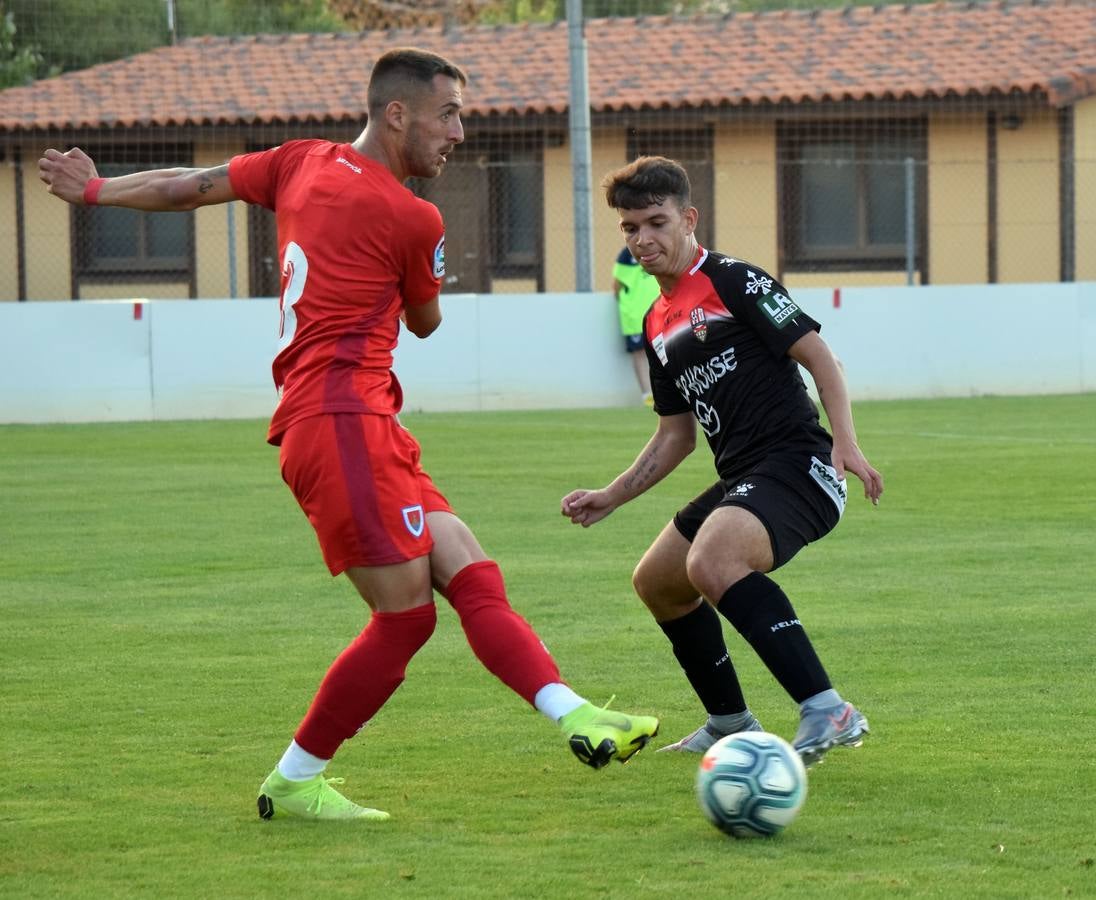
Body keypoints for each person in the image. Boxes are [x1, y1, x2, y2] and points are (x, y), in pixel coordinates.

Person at [39, 48, 658, 823]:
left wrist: (94, 188)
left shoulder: (299, 162)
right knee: (406, 618)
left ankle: (576, 716)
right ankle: (296, 780)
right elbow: (426, 323)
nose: (459, 133)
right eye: (449, 115)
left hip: (354, 421)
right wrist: (422, 272)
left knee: (464, 560)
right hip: (342, 423)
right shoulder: (413, 215)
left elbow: (189, 187)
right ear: (396, 114)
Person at [561, 156, 883, 767]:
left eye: (655, 222)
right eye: (630, 228)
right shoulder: (657, 321)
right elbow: (675, 436)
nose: (642, 239)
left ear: (688, 218)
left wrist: (845, 442)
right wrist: (612, 494)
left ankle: (828, 709)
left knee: (714, 558)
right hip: (745, 478)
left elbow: (821, 359)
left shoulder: (734, 279)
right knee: (658, 581)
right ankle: (731, 722)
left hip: (800, 466)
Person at [611, 246, 660, 405]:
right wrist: (628, 305)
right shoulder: (627, 254)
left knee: (665, 350)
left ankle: (666, 393)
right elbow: (617, 285)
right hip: (635, 314)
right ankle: (648, 395)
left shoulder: (662, 248)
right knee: (639, 353)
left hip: (659, 310)